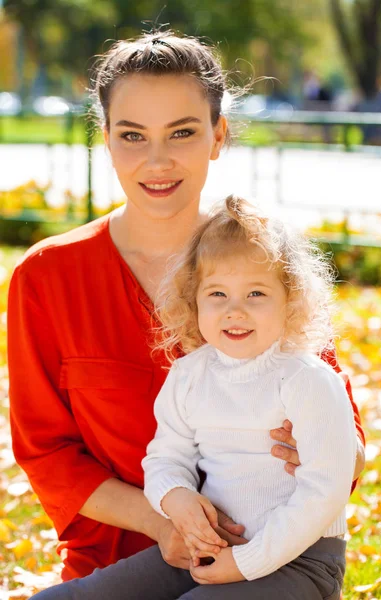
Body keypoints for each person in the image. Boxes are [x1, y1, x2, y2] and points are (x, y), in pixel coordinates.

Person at [8, 29, 365, 586]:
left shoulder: (265, 261)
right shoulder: (47, 276)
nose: (157, 160)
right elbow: (46, 452)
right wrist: (163, 520)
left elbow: (349, 446)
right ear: (105, 138)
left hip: (270, 554)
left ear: (218, 135)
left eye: (182, 132)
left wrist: (320, 451)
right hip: (116, 563)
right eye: (132, 134)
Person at [31, 195, 358, 599]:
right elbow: (167, 456)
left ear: (289, 300)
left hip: (301, 559)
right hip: (204, 548)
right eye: (217, 294)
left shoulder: (307, 379)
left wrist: (247, 561)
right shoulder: (190, 374)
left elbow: (324, 491)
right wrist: (176, 496)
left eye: (256, 293)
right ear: (194, 300)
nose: (234, 310)